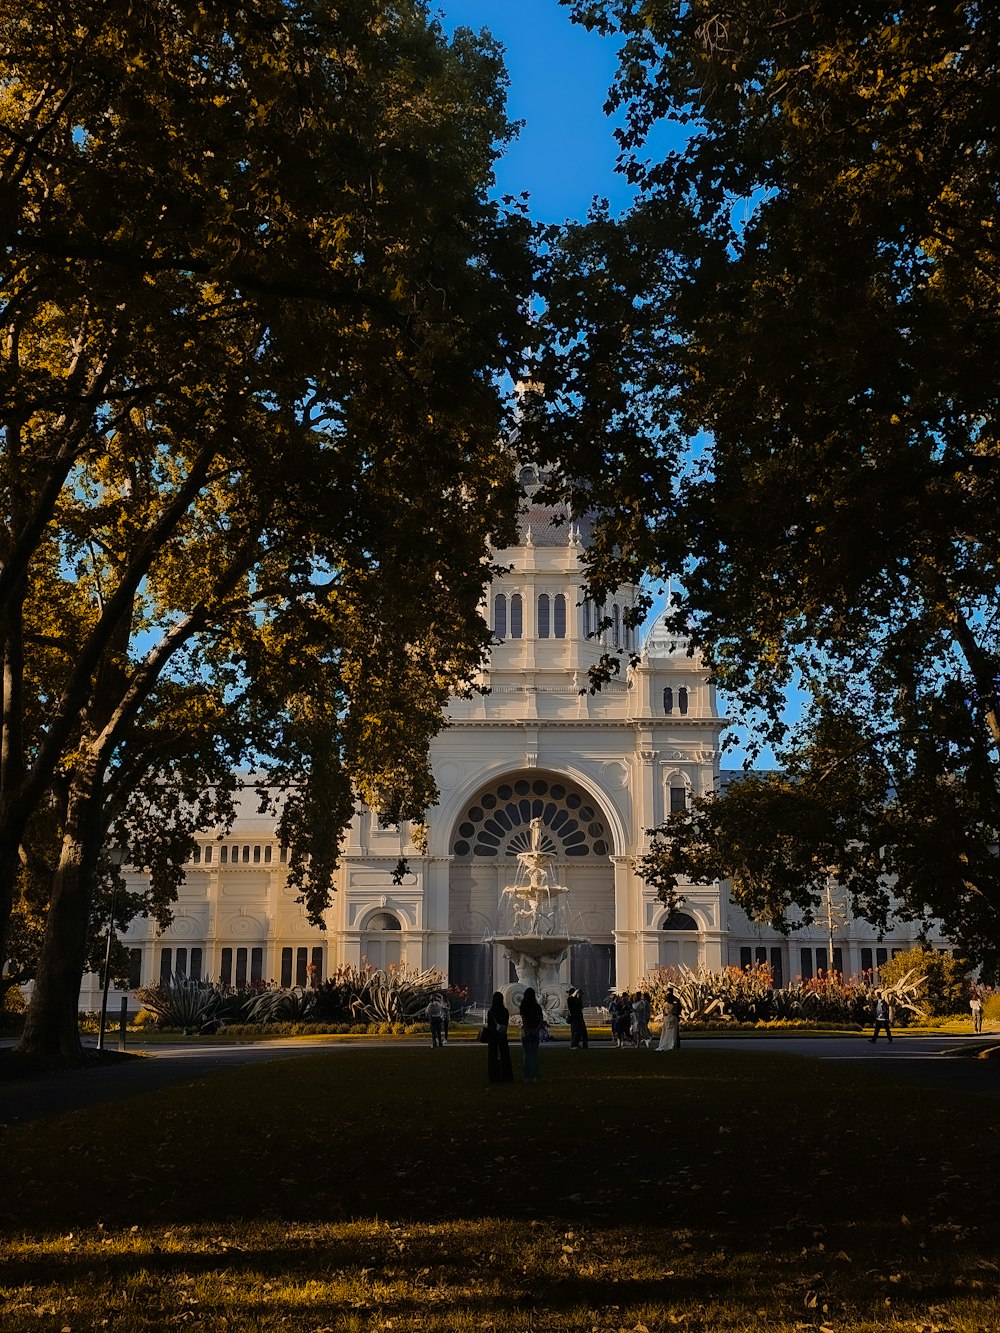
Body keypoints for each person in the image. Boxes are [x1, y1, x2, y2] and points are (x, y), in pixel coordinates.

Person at [486, 991, 513, 1082]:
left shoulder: (491, 1011)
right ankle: (507, 1075)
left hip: (493, 1035)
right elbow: (505, 1023)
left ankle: (493, 1076)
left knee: (492, 1056)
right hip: (502, 1035)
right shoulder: (505, 1011)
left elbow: (489, 1025)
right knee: (504, 1055)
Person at [519, 986, 544, 1082]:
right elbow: (541, 1020)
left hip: (526, 1031)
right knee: (534, 1054)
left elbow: (524, 1020)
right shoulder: (536, 1006)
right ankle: (534, 1075)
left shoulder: (523, 1006)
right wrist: (537, 1029)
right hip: (535, 1030)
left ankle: (527, 1076)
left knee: (526, 1054)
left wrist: (526, 1030)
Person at [657, 987, 682, 1051]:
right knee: (673, 1032)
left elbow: (664, 1011)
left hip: (669, 1017)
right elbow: (679, 1009)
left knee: (668, 1032)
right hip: (673, 1017)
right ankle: (674, 1044)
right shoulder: (675, 1000)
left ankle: (671, 1043)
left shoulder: (667, 1002)